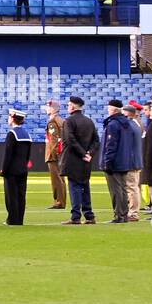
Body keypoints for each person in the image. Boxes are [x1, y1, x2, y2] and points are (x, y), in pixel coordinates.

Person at [60, 95, 99, 224]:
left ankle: (75, 216)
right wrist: (89, 154)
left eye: (68, 104)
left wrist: (82, 153)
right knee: (85, 186)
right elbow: (96, 141)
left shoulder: (69, 121)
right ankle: (89, 214)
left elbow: (70, 140)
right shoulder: (89, 121)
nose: (67, 106)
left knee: (75, 187)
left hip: (73, 159)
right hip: (86, 161)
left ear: (72, 106)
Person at [100, 98, 139, 223]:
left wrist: (107, 162)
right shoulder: (126, 124)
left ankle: (119, 215)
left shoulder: (113, 124)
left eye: (109, 108)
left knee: (116, 190)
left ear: (113, 109)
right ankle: (123, 214)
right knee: (122, 188)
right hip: (124, 161)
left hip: (115, 162)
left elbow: (111, 145)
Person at [0, 108, 31, 225]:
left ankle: (12, 219)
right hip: (23, 168)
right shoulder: (26, 134)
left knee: (11, 195)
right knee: (21, 195)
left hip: (12, 170)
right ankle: (20, 219)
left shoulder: (12, 134)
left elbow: (8, 154)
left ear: (13, 118)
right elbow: (28, 155)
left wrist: (4, 169)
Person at [43, 99, 68, 209]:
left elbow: (54, 140)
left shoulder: (53, 122)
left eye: (48, 107)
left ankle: (59, 201)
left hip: (55, 154)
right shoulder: (60, 120)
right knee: (60, 178)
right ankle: (60, 200)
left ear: (53, 109)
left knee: (56, 178)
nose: (47, 109)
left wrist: (53, 154)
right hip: (60, 153)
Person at [122, 102, 144, 222]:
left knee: (132, 187)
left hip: (131, 161)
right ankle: (132, 211)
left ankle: (133, 213)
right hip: (135, 160)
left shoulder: (130, 126)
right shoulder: (137, 125)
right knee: (133, 187)